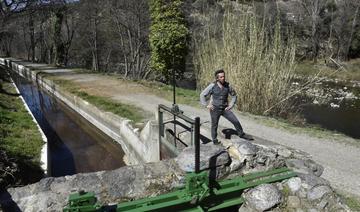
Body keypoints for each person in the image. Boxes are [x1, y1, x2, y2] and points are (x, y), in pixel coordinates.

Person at [200, 69, 253, 144]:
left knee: (235, 121)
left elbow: (234, 96)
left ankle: (241, 134)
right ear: (217, 78)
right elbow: (202, 95)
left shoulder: (228, 85)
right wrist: (206, 105)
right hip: (214, 109)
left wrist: (231, 105)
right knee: (214, 125)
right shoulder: (212, 86)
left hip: (225, 109)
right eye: (221, 77)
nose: (223, 78)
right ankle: (215, 141)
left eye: (224, 76)